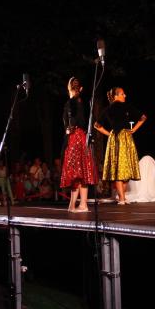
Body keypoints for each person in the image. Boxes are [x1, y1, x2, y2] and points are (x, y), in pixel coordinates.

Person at [95, 87, 147, 205]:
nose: (125, 95)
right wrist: (133, 130)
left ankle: (121, 197)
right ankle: (122, 198)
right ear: (116, 96)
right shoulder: (121, 107)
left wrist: (109, 134)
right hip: (124, 138)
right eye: (123, 94)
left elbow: (97, 125)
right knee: (123, 168)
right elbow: (143, 117)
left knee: (122, 168)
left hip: (117, 138)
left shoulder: (109, 109)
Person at [60, 77, 98, 213]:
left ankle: (78, 205)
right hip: (80, 137)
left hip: (76, 138)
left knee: (77, 172)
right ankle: (80, 204)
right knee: (81, 172)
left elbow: (73, 122)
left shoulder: (73, 103)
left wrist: (69, 129)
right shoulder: (79, 102)